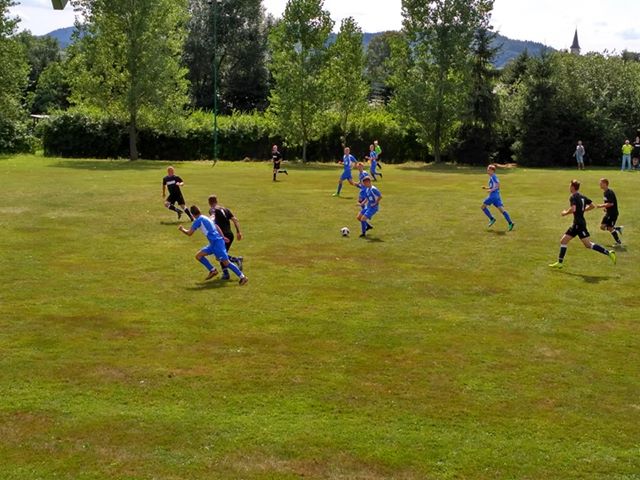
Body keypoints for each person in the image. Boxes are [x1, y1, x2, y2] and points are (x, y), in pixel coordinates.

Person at [549, 180, 616, 269]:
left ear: (573, 187)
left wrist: (565, 213)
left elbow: (573, 209)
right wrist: (583, 210)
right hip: (578, 223)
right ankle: (560, 263)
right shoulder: (582, 196)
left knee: (584, 244)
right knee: (566, 241)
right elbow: (592, 206)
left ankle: (609, 253)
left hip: (578, 225)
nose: (569, 187)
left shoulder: (573, 197)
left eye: (570, 186)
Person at [178, 205, 248, 285]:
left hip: (217, 243)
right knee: (199, 256)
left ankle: (243, 277)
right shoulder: (206, 217)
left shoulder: (198, 220)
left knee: (226, 263)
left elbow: (189, 233)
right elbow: (217, 226)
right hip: (213, 243)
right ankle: (213, 270)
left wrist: (182, 229)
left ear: (192, 214)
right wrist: (223, 237)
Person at [208, 195, 244, 279]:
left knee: (220, 255)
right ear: (216, 201)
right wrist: (238, 232)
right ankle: (227, 271)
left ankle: (233, 264)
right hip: (230, 235)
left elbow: (213, 216)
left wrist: (209, 220)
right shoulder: (225, 209)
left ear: (209, 203)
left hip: (222, 236)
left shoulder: (212, 209)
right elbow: (235, 220)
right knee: (221, 254)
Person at [481, 164, 514, 231]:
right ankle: (510, 223)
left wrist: (491, 190)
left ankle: (492, 218)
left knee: (483, 207)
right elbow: (493, 186)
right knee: (502, 210)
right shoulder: (492, 177)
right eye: (487, 170)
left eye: (489, 170)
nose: (487, 171)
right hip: (497, 196)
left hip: (493, 196)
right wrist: (486, 188)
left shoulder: (493, 177)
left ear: (492, 171)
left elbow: (498, 185)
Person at [596, 178, 623, 245]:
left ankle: (618, 242)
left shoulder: (609, 192)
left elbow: (611, 203)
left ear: (605, 184)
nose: (600, 184)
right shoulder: (605, 192)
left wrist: (601, 206)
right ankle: (617, 228)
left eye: (601, 183)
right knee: (602, 227)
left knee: (610, 228)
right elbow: (607, 202)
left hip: (613, 214)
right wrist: (605, 208)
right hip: (608, 213)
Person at [354, 162, 373, 231]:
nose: (359, 168)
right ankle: (368, 224)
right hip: (362, 190)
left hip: (364, 191)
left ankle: (367, 215)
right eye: (358, 167)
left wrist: (359, 185)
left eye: (360, 167)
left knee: (362, 203)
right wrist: (358, 183)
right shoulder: (360, 173)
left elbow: (366, 182)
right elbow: (361, 181)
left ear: (362, 167)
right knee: (361, 203)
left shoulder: (364, 173)